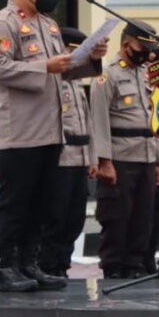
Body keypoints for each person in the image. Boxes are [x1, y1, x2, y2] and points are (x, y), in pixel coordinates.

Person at [0, 0, 89, 292]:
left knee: (40, 204)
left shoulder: (49, 24)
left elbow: (63, 71)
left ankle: (29, 263)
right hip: (19, 133)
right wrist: (45, 67)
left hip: (50, 131)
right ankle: (6, 267)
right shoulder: (3, 24)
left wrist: (91, 57)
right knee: (14, 204)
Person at [90, 20, 159, 279]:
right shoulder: (107, 74)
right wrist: (104, 160)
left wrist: (157, 160)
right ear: (126, 44)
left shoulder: (146, 73)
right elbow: (99, 120)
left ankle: (134, 263)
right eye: (142, 47)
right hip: (120, 156)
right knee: (117, 215)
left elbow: (153, 116)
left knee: (143, 216)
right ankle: (113, 265)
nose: (147, 53)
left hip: (145, 153)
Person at [39, 27, 107, 279]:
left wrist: (92, 157)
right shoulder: (53, 79)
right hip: (60, 157)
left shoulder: (77, 82)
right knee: (54, 216)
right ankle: (47, 265)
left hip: (79, 157)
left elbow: (87, 122)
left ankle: (62, 264)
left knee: (74, 217)